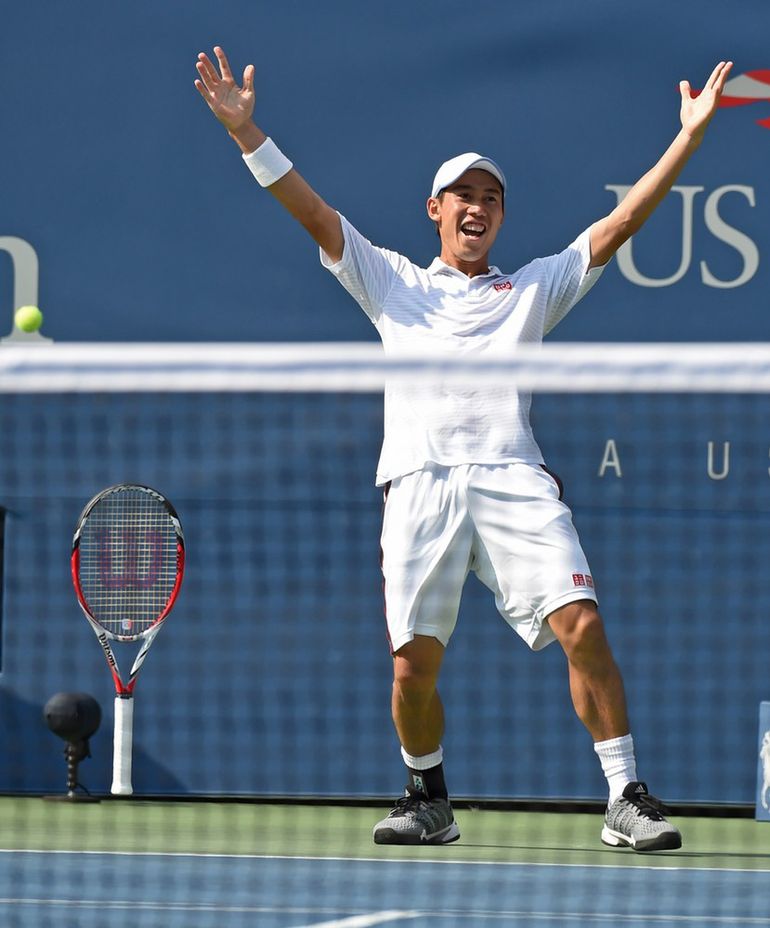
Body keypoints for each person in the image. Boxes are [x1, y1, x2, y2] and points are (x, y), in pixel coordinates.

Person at [194, 47, 732, 852]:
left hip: (514, 478)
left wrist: (688, 139)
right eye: (463, 197)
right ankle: (427, 793)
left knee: (582, 625)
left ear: (501, 218)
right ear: (435, 210)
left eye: (490, 199)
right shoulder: (389, 280)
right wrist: (246, 132)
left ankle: (626, 795)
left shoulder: (535, 289)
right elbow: (309, 209)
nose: (477, 209)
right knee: (412, 667)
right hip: (418, 484)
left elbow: (621, 226)